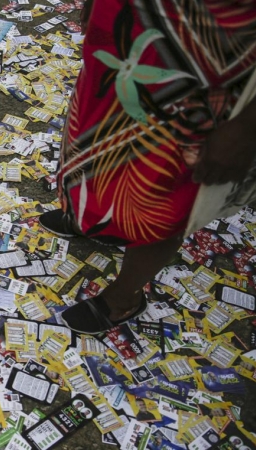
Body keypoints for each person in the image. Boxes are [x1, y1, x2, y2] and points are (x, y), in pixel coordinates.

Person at [38, 0, 256, 334]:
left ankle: (124, 297)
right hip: (128, 23)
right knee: (97, 138)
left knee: (163, 188)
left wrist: (247, 125)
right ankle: (94, 219)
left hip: (206, 49)